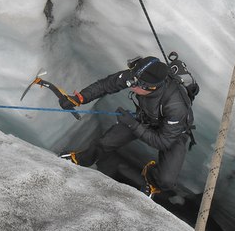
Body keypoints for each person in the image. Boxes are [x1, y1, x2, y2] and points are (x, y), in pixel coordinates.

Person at [58, 56, 194, 197]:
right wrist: (80, 98)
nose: (130, 85)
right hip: (145, 119)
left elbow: (163, 142)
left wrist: (132, 124)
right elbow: (107, 84)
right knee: (106, 142)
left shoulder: (176, 106)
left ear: (151, 88)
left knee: (166, 180)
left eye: (135, 85)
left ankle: (151, 180)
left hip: (172, 134)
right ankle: (81, 159)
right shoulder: (139, 75)